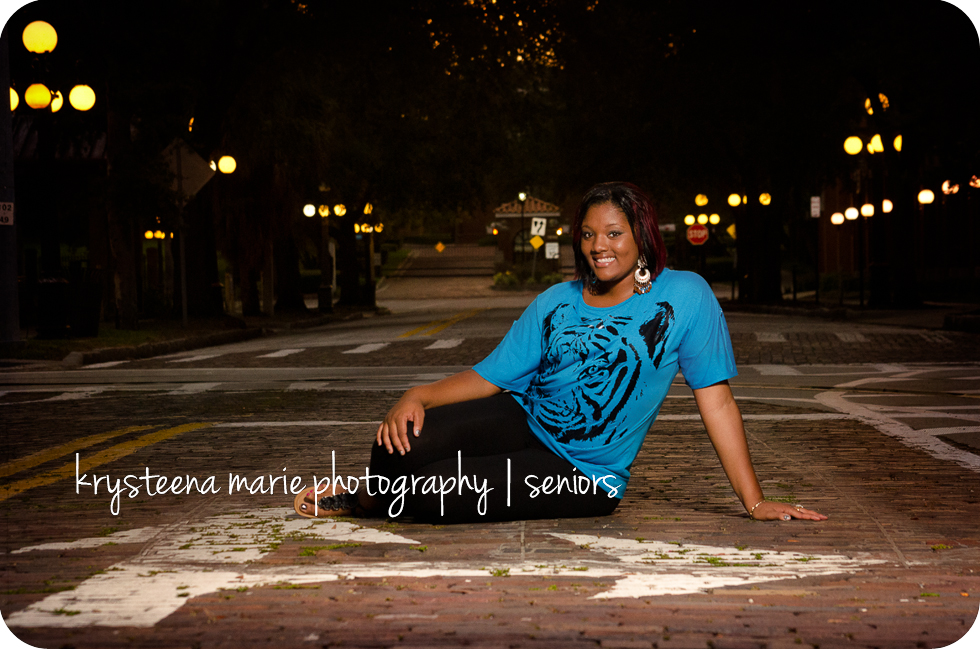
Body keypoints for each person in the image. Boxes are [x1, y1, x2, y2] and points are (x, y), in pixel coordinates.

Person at [294, 181, 827, 525]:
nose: (601, 246)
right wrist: (418, 396)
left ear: (641, 236)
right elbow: (492, 375)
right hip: (525, 417)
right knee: (399, 443)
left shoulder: (685, 297)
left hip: (586, 473)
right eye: (590, 234)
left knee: (440, 492)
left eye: (615, 233)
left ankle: (367, 499)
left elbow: (718, 402)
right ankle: (375, 492)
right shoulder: (557, 301)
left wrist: (753, 502)